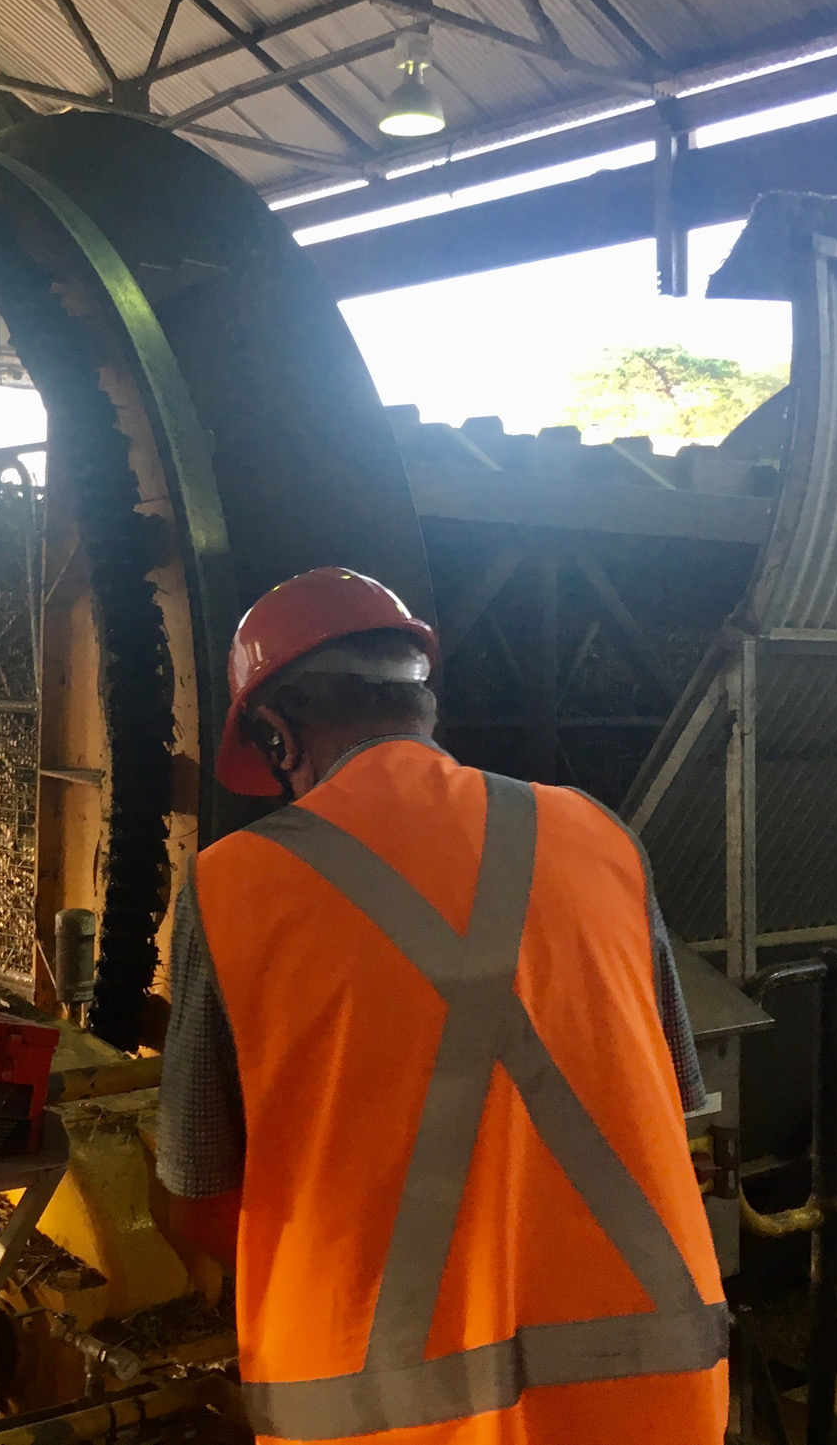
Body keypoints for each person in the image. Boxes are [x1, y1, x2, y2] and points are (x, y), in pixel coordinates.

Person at [156, 567, 726, 1445]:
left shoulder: (231, 886)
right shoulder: (601, 837)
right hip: (651, 1403)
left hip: (381, 1422)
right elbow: (672, 1109)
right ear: (420, 702)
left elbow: (198, 1198)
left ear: (277, 732)